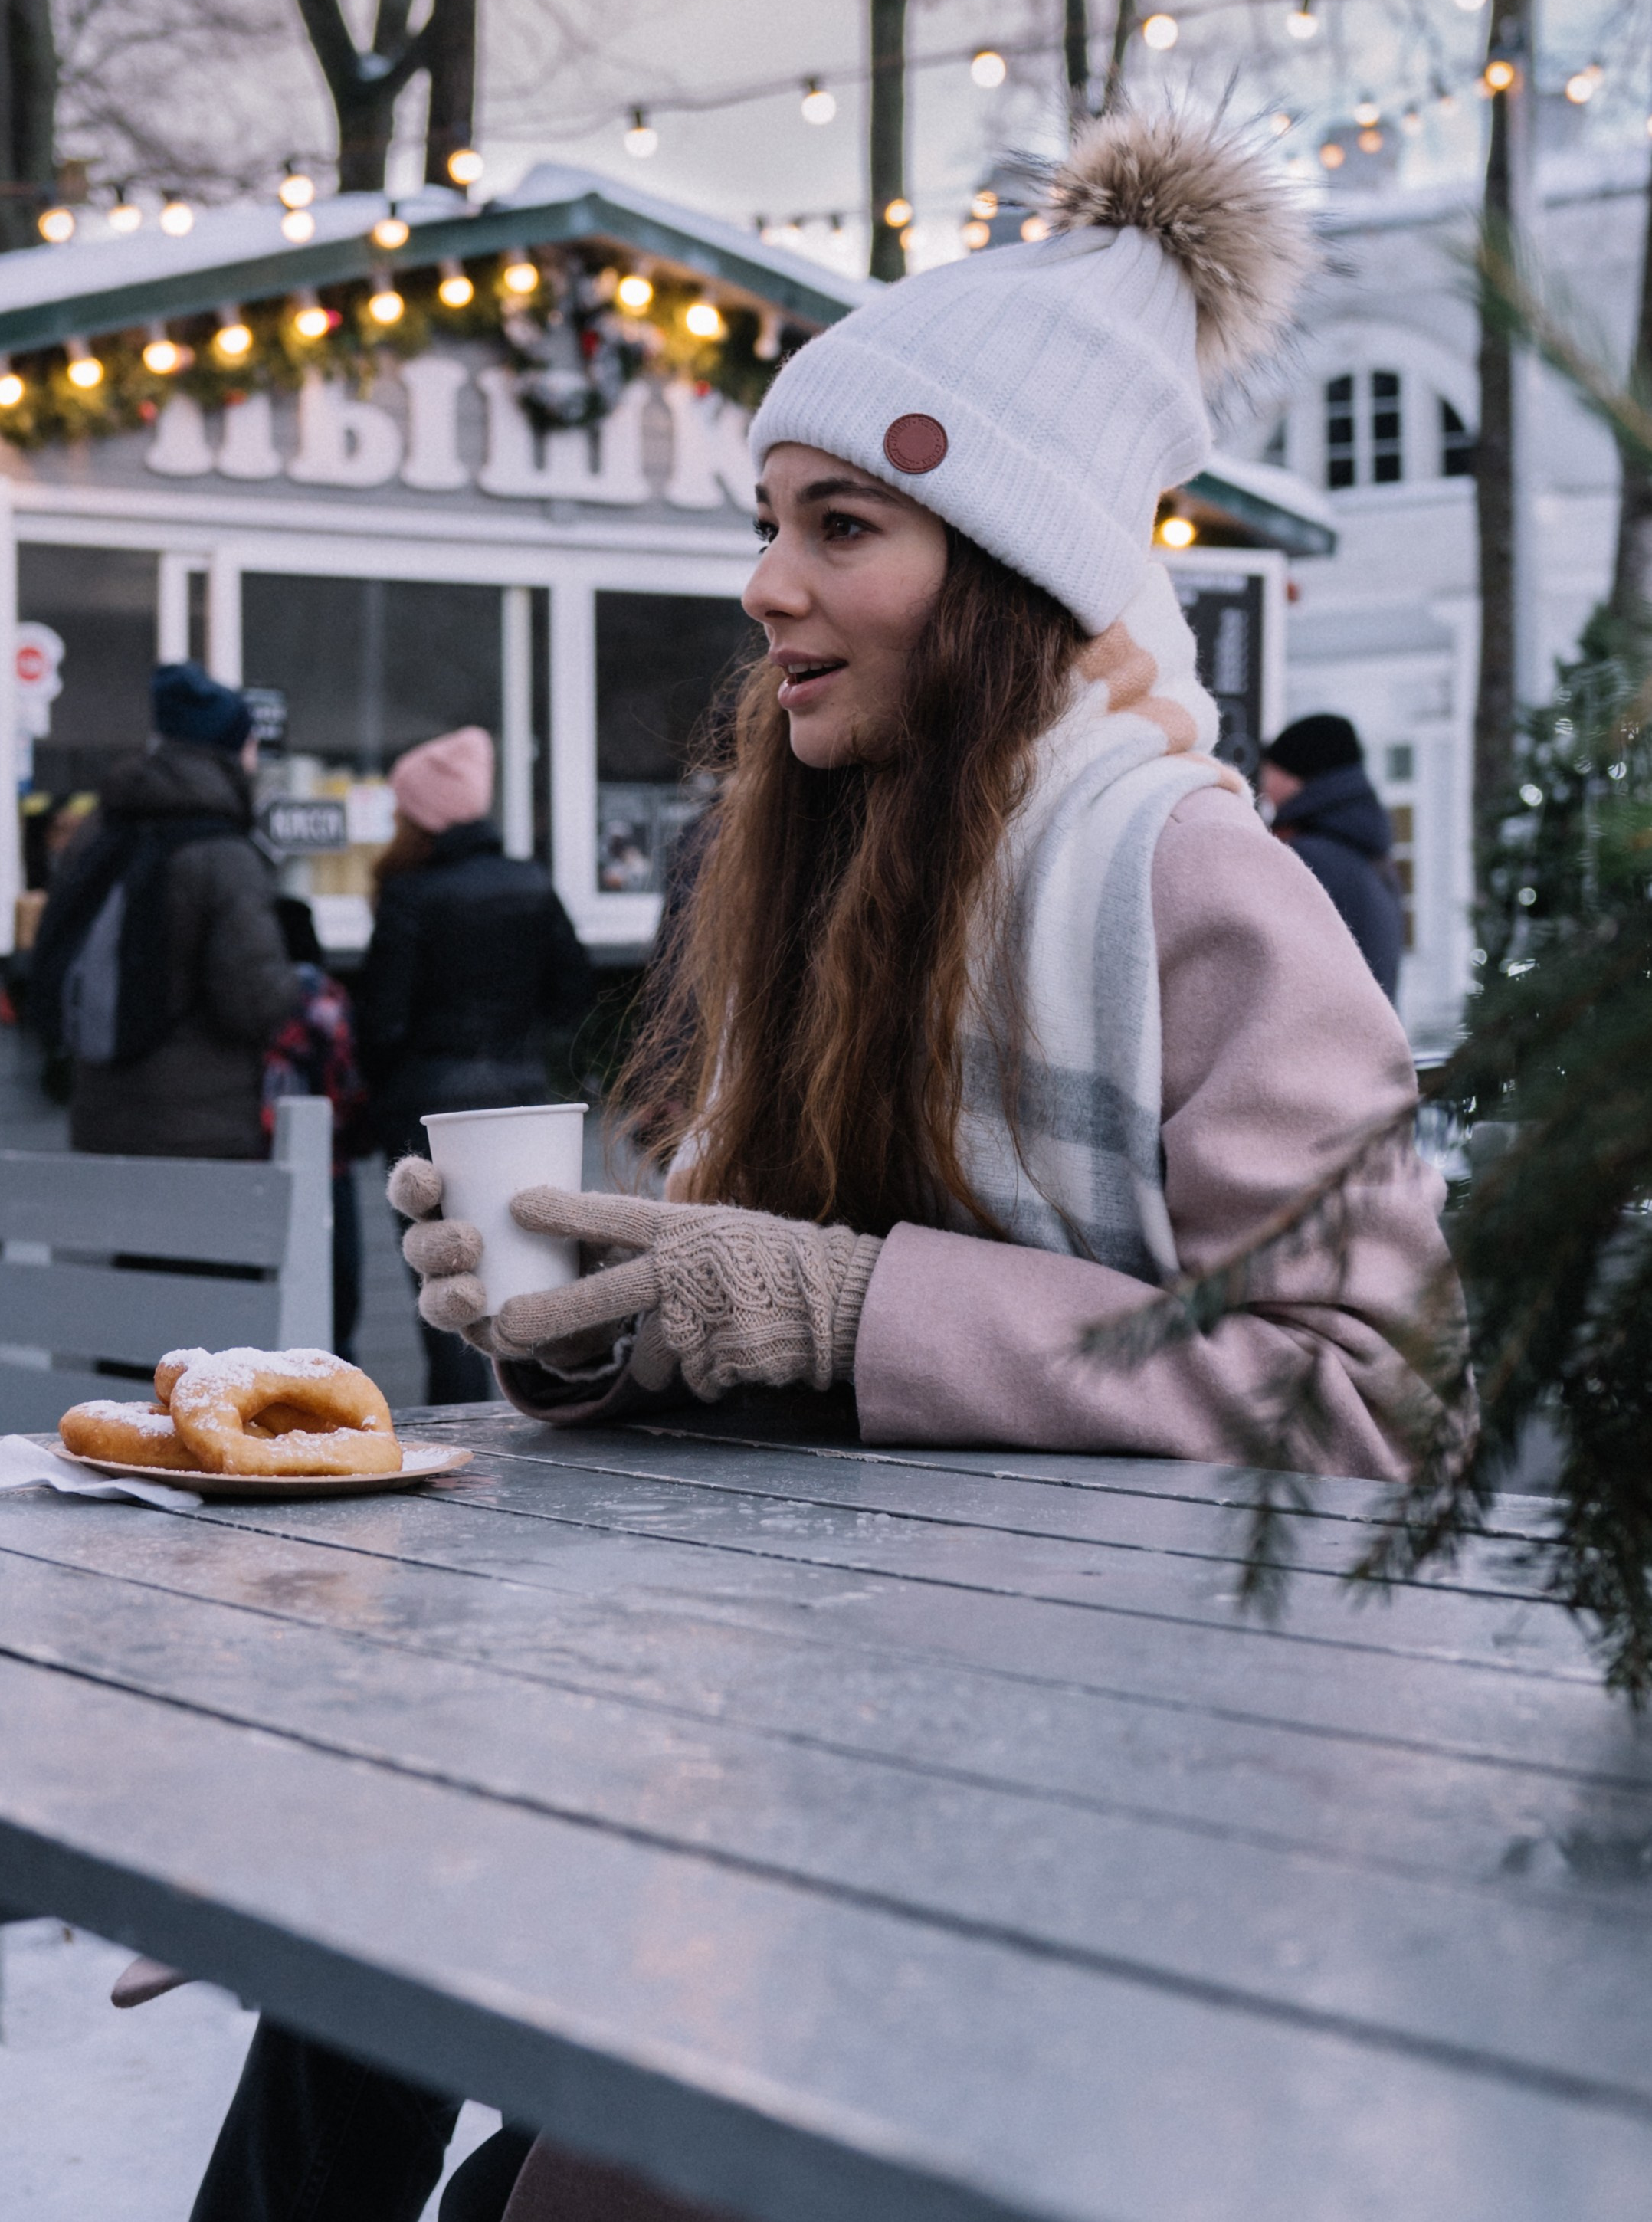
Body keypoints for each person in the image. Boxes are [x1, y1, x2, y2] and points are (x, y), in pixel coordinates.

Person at [192, 115, 1464, 2222]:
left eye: (840, 524)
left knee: (506, 2106)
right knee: (350, 1924)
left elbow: (1369, 1394)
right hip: (809, 1758)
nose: (769, 580)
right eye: (769, 519)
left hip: (1135, 1857)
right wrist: (596, 1321)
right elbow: (792, 1355)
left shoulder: (1187, 878)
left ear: (1003, 568)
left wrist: (838, 1300)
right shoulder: (819, 892)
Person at [354, 725, 595, 1404]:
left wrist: (381, 1088)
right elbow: (573, 990)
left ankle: (463, 1433)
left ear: (421, 815)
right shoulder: (529, 883)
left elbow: (382, 1020)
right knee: (529, 1278)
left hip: (429, 1109)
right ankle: (542, 1409)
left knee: (446, 1291)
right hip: (520, 1098)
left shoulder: (409, 896)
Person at [31, 663, 300, 1160]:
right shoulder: (224, 854)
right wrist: (299, 978)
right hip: (202, 1125)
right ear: (227, 749)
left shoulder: (97, 834)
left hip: (100, 1115)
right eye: (249, 742)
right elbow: (253, 1003)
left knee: (133, 1239)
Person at [266, 895, 369, 1356]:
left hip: (261, 1164)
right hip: (330, 1167)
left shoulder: (254, 998)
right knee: (336, 1312)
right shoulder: (327, 998)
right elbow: (348, 1080)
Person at [1258, 713, 1404, 1000]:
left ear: (1294, 775)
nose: (1263, 787)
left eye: (1269, 771)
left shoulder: (1308, 858)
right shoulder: (1370, 860)